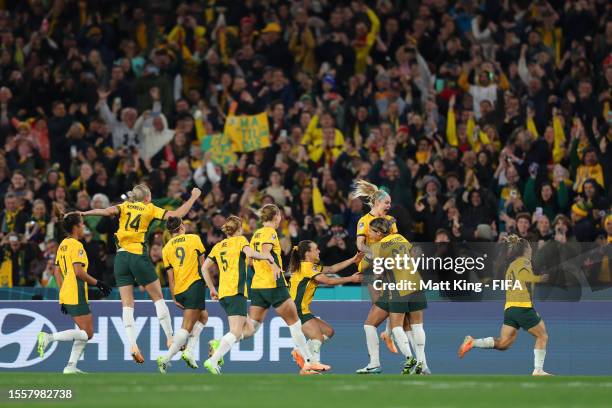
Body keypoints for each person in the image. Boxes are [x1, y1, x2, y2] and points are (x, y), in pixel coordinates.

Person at [74, 184, 202, 363]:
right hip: (137, 256)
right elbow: (177, 215)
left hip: (120, 258)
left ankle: (133, 344)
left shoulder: (124, 206)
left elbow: (106, 211)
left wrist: (85, 213)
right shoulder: (149, 209)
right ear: (147, 197)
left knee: (127, 304)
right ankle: (170, 337)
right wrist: (193, 197)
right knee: (157, 298)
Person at [248, 204, 330, 374]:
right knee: (295, 323)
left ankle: (222, 343)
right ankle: (308, 362)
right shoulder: (269, 232)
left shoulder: (256, 234)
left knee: (250, 328)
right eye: (280, 216)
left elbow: (250, 259)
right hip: (273, 283)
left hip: (257, 284)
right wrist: (273, 266)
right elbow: (266, 251)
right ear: (276, 216)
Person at [458, 234, 551, 376]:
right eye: (530, 248)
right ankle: (538, 370)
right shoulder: (524, 262)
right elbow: (523, 277)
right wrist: (539, 278)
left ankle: (473, 342)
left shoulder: (511, 266)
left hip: (510, 309)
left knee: (503, 343)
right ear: (525, 250)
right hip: (522, 306)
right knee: (542, 336)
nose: (532, 251)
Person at [36, 213, 112, 374]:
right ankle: (49, 337)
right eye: (82, 224)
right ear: (76, 227)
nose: (83, 227)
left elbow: (57, 272)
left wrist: (62, 295)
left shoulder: (63, 244)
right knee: (87, 333)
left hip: (69, 292)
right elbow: (78, 272)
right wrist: (98, 283)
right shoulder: (77, 246)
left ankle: (71, 366)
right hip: (76, 291)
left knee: (86, 333)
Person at [202, 215, 276, 374]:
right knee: (235, 331)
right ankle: (213, 361)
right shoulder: (241, 240)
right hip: (236, 292)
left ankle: (218, 343)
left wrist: (211, 288)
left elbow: (204, 268)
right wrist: (267, 256)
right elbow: (251, 254)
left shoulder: (218, 246)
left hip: (223, 293)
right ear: (239, 228)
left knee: (249, 330)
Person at [358, 217, 429, 375]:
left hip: (397, 287)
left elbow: (377, 274)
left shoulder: (378, 246)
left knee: (396, 326)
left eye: (370, 231)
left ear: (378, 232)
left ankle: (409, 358)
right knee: (417, 326)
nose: (368, 233)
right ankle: (423, 365)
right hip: (415, 283)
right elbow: (412, 255)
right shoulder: (400, 237)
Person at [288, 240, 363, 364]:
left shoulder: (307, 266)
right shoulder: (307, 267)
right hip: (297, 309)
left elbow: (332, 269)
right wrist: (351, 278)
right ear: (307, 253)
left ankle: (301, 352)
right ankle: (313, 365)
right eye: (316, 249)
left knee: (328, 332)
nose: (319, 251)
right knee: (317, 337)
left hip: (300, 309)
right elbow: (328, 281)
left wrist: (352, 260)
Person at [349, 180, 399, 357]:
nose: (389, 206)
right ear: (377, 203)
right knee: (379, 305)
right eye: (387, 203)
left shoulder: (390, 221)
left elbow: (395, 242)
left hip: (387, 266)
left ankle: (386, 335)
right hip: (371, 267)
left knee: (391, 302)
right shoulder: (364, 221)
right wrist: (375, 255)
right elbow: (360, 245)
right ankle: (381, 339)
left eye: (390, 203)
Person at [157, 217, 208, 373]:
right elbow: (203, 264)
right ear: (182, 227)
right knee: (186, 327)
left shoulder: (165, 249)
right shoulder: (194, 239)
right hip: (194, 285)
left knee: (203, 316)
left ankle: (190, 351)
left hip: (179, 290)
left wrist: (174, 296)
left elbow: (170, 276)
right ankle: (166, 359)